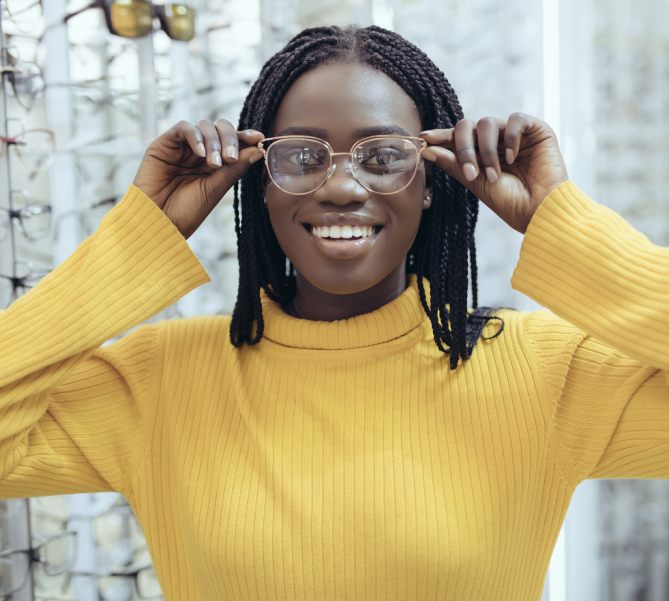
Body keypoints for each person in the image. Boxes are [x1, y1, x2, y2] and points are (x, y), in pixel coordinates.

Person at [1, 24, 667, 601]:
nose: (343, 186)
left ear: (436, 183)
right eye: (300, 156)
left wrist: (560, 220)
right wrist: (136, 238)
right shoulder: (159, 381)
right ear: (260, 183)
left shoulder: (544, 372)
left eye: (383, 158)